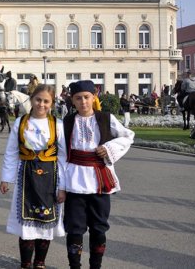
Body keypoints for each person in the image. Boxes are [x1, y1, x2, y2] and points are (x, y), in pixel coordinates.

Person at [63, 80, 134, 269]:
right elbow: (62, 155)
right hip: (74, 180)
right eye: (78, 98)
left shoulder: (105, 118)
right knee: (74, 228)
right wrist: (61, 187)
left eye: (86, 97)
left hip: (99, 180)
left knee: (99, 227)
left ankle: (95, 266)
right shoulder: (67, 122)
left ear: (94, 97)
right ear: (73, 100)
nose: (83, 102)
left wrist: (109, 147)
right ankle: (75, 266)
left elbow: (128, 136)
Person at [0, 84, 67, 269]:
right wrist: (6, 178)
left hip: (50, 178)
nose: (41, 104)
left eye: (46, 101)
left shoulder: (57, 124)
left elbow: (62, 157)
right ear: (31, 99)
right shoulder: (20, 122)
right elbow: (11, 152)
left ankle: (40, 263)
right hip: (25, 177)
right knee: (26, 224)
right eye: (38, 100)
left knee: (45, 222)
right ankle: (25, 263)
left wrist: (63, 187)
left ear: (52, 103)